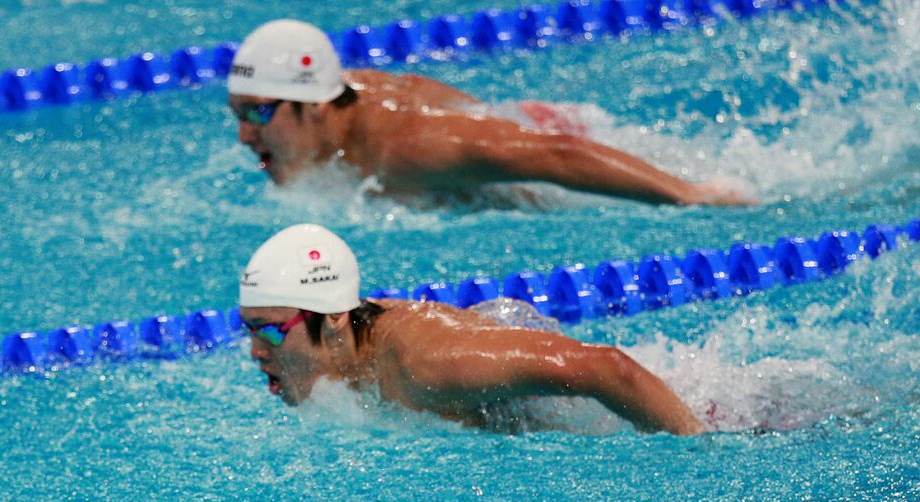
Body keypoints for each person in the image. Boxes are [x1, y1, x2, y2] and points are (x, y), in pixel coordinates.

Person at [227, 19, 751, 207]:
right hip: (514, 125)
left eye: (258, 114)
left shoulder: (406, 148)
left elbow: (558, 155)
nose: (245, 137)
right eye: (238, 116)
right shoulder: (341, 95)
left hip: (555, 156)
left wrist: (690, 195)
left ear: (316, 107)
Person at [239, 223, 705, 434]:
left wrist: (696, 448)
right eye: (250, 330)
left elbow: (608, 367)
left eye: (271, 331)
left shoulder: (427, 361)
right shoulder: (354, 354)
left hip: (691, 406)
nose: (256, 352)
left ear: (335, 316)